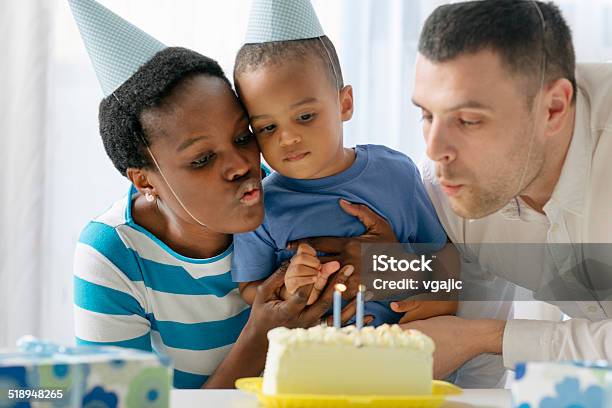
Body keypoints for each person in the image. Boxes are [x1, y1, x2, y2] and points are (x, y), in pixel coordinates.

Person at [312, 0, 611, 379]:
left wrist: (487, 337)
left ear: (552, 108)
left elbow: (472, 338)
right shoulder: (446, 195)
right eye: (427, 114)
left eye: (468, 120)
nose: (435, 150)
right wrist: (398, 267)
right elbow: (468, 360)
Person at [69, 0, 354, 390]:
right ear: (144, 180)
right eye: (203, 159)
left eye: (243, 137)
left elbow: (442, 282)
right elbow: (119, 401)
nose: (241, 165)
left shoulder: (291, 192)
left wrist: (387, 255)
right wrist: (260, 336)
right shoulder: (115, 254)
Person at [230, 0, 458, 327]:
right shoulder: (261, 206)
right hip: (309, 364)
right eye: (268, 127)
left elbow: (443, 254)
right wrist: (286, 286)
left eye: (305, 117)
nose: (288, 138)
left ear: (344, 103)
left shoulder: (396, 174)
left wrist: (432, 291)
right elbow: (249, 289)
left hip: (396, 358)